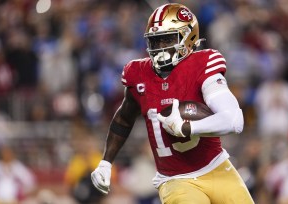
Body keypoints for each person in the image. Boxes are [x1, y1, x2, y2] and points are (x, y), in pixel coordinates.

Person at [91, 3, 254, 204]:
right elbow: (124, 118)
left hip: (216, 167)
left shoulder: (203, 64)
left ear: (189, 37)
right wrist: (106, 162)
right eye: (156, 41)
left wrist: (188, 127)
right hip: (175, 179)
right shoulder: (138, 74)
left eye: (167, 39)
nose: (161, 47)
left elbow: (234, 120)